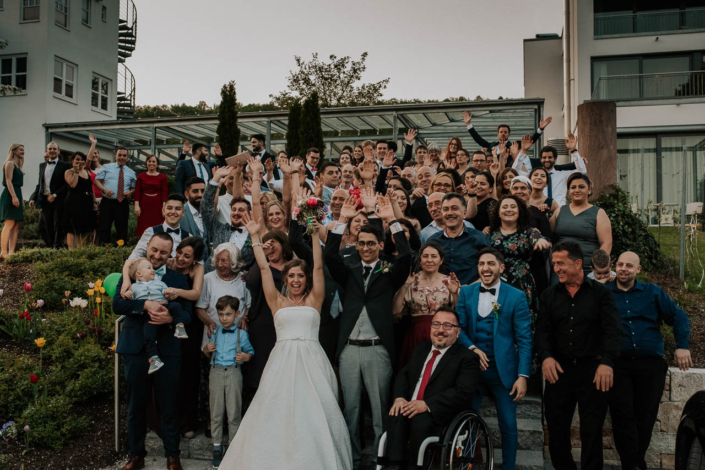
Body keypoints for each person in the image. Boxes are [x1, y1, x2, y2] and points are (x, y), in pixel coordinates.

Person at [219, 213, 352, 470]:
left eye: (300, 277)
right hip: (282, 363)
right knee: (275, 412)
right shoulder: (276, 301)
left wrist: (314, 236)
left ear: (306, 279)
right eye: (291, 277)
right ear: (286, 280)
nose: (296, 280)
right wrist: (256, 237)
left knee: (313, 415)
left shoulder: (315, 299)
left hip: (313, 362)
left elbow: (316, 266)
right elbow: (265, 268)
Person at [325, 197, 411, 469]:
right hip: (349, 348)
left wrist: (392, 220)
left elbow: (407, 255)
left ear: (381, 246)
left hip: (378, 348)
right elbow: (329, 256)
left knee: (379, 410)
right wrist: (342, 221)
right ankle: (350, 458)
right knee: (350, 409)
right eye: (361, 243)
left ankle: (379, 459)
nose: (365, 248)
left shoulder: (389, 272)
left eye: (371, 243)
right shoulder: (348, 271)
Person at [536, 241, 622, 470]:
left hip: (593, 372)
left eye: (561, 263)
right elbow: (542, 331)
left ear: (577, 263)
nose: (556, 268)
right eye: (554, 264)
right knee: (556, 430)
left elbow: (613, 331)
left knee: (592, 432)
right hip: (559, 372)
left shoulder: (601, 294)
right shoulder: (548, 296)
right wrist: (545, 357)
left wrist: (607, 362)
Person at [113, 232, 192, 470]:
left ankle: (172, 456)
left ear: (171, 254)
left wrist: (170, 316)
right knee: (136, 405)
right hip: (136, 348)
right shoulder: (131, 273)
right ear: (147, 246)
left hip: (167, 349)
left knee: (169, 404)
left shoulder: (177, 279)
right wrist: (144, 304)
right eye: (154, 250)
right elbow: (118, 303)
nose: (157, 256)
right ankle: (136, 455)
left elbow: (187, 313)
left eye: (163, 252)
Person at [607, 252, 691, 470]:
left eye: (629, 266)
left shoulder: (653, 292)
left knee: (646, 416)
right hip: (618, 364)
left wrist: (682, 346)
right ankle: (632, 465)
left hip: (650, 365)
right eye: (620, 264)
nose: (624, 269)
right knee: (622, 416)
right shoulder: (604, 293)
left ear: (638, 270)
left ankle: (634, 463)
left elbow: (678, 316)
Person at [456, 248, 532, 470]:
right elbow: (457, 328)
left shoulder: (516, 296)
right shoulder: (466, 292)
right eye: (481, 264)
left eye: (490, 263)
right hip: (472, 369)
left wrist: (523, 375)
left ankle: (509, 467)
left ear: (501, 267)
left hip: (503, 372)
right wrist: (471, 348)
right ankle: (466, 465)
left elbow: (525, 338)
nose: (485, 268)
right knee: (467, 420)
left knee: (508, 424)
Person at [384, 307, 480, 470]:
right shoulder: (421, 349)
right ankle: (394, 466)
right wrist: (399, 398)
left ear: (458, 332)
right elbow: (404, 375)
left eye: (447, 326)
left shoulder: (467, 358)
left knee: (420, 421)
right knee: (396, 414)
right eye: (436, 324)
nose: (440, 330)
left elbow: (463, 392)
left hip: (440, 413)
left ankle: (415, 467)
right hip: (412, 407)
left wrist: (427, 405)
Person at [202, 295, 254, 468]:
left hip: (234, 372)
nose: (224, 318)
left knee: (233, 412)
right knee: (216, 412)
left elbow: (250, 352)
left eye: (228, 314)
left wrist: (246, 356)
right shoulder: (214, 331)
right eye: (221, 314)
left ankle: (233, 447)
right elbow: (207, 351)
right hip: (216, 372)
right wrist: (206, 349)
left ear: (237, 313)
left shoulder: (242, 334)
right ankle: (217, 447)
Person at [393, 241, 459, 367]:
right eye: (425, 256)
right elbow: (395, 311)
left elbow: (459, 311)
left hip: (443, 332)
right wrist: (405, 286)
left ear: (441, 260)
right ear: (420, 260)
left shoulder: (449, 281)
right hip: (416, 334)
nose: (429, 260)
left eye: (434, 256)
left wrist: (455, 293)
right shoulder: (411, 280)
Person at [488, 195, 551, 322]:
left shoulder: (528, 231)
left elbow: (537, 238)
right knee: (499, 318)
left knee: (521, 320)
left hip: (521, 282)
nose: (509, 209)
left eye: (513, 206)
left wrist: (540, 241)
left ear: (519, 211)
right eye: (504, 207)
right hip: (497, 282)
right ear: (498, 213)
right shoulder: (491, 233)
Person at [124, 257, 189, 374]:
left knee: (176, 306)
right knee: (148, 335)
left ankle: (179, 327)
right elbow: (127, 303)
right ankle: (154, 359)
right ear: (138, 273)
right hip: (149, 316)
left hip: (164, 306)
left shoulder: (160, 283)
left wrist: (168, 294)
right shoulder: (133, 287)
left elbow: (166, 293)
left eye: (152, 268)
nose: (153, 270)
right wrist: (128, 294)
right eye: (149, 268)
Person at [551, 173, 612, 273]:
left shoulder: (599, 213)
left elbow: (606, 243)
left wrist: (599, 267)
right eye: (573, 187)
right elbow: (547, 233)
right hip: (560, 269)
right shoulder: (560, 210)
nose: (577, 190)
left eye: (581, 187)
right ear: (569, 191)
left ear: (589, 190)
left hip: (587, 269)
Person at [196, 243, 251, 350]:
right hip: (213, 335)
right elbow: (200, 308)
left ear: (234, 262)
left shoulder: (244, 279)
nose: (219, 264)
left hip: (238, 336)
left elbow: (248, 305)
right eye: (217, 260)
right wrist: (209, 323)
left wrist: (244, 317)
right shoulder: (207, 279)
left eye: (224, 261)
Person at [429, 193, 490, 285]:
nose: (450, 213)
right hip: (439, 294)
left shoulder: (479, 238)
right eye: (446, 209)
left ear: (465, 213)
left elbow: (490, 268)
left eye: (454, 208)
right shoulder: (432, 241)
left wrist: (469, 288)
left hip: (472, 292)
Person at [203, 166, 255, 266]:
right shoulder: (219, 229)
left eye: (241, 210)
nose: (236, 213)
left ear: (249, 213)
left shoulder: (254, 236)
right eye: (233, 209)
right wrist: (216, 179)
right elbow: (206, 207)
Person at [515, 135, 587, 206]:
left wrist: (573, 151)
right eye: (544, 157)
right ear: (541, 159)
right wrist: (523, 151)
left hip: (559, 212)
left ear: (555, 159)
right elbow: (515, 171)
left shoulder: (563, 175)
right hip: (539, 212)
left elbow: (582, 172)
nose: (547, 160)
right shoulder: (533, 176)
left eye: (550, 157)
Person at [463, 111, 552, 167]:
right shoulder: (491, 145)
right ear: (498, 134)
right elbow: (478, 139)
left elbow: (530, 141)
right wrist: (468, 124)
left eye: (505, 132)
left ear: (509, 134)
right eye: (501, 132)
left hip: (509, 172)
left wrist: (540, 129)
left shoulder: (515, 145)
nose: (503, 134)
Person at [29, 141, 71, 248]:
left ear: (58, 151)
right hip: (45, 200)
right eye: (50, 149)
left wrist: (55, 195)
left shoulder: (66, 165)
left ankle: (57, 248)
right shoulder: (42, 165)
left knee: (58, 225)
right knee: (44, 227)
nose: (52, 150)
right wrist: (33, 198)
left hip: (59, 200)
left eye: (54, 149)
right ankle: (50, 246)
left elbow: (67, 184)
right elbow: (40, 184)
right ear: (47, 151)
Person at [127, 194, 189, 263]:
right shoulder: (151, 231)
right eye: (169, 208)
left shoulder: (189, 237)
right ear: (163, 210)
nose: (173, 212)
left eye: (178, 209)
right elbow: (135, 256)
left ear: (183, 212)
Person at [94, 147, 136, 246]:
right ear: (115, 156)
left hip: (122, 204)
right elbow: (96, 181)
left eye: (124, 155)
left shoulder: (131, 172)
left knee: (122, 228)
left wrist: (131, 192)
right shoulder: (106, 167)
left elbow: (134, 187)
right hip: (107, 202)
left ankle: (120, 249)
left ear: (127, 158)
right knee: (105, 227)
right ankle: (105, 249)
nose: (122, 157)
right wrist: (104, 190)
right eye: (119, 155)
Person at [63, 152, 98, 249]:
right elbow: (73, 185)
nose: (80, 161)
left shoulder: (87, 172)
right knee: (73, 228)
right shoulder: (68, 172)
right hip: (74, 202)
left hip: (86, 203)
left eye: (82, 159)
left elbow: (90, 188)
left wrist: (94, 202)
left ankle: (82, 250)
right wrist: (76, 171)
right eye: (77, 159)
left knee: (85, 228)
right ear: (72, 161)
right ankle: (72, 250)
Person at [134, 154, 168, 238]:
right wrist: (136, 205)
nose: (151, 163)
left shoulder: (162, 177)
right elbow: (137, 192)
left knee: (158, 227)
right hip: (144, 205)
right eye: (149, 161)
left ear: (157, 164)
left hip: (157, 205)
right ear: (146, 163)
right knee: (143, 227)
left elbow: (164, 193)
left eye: (154, 161)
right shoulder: (141, 176)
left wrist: (164, 207)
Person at [1, 144, 25, 259]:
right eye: (21, 150)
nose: (23, 152)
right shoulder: (10, 163)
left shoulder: (18, 165)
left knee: (16, 225)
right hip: (10, 195)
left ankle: (11, 252)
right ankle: (3, 252)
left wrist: (21, 199)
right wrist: (14, 197)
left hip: (17, 193)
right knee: (9, 223)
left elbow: (17, 185)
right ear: (14, 151)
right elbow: (8, 181)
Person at [180, 177, 210, 264]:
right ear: (186, 194)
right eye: (195, 191)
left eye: (203, 191)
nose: (200, 194)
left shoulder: (207, 212)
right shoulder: (180, 213)